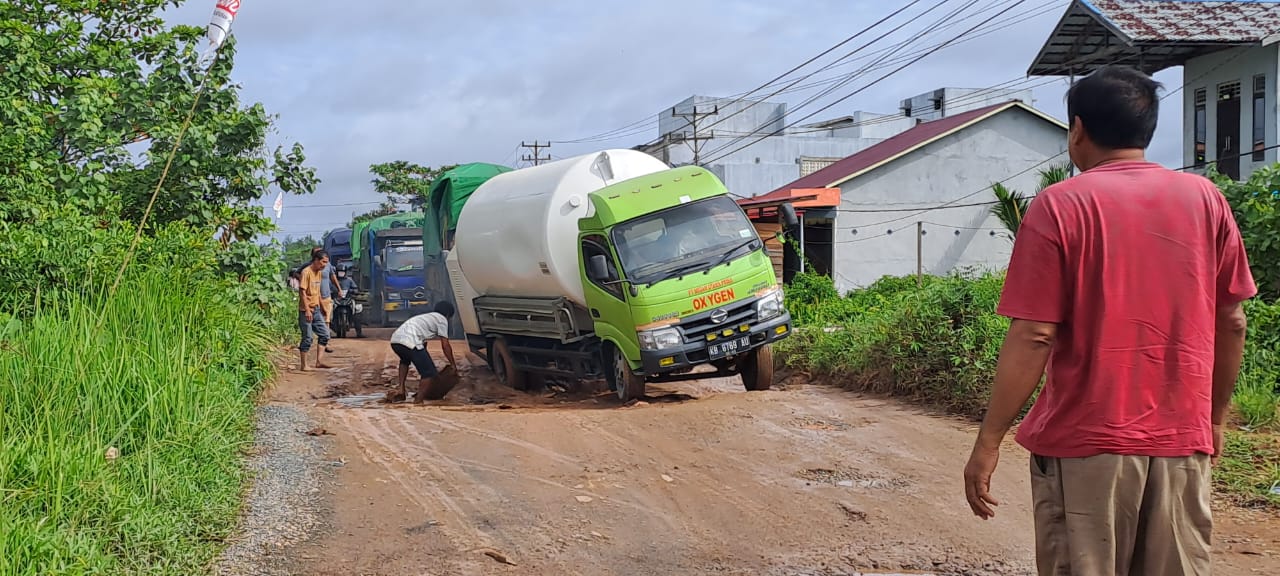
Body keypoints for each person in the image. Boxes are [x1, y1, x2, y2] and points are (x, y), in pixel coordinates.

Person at [962, 65, 1255, 575]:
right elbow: (1232, 321)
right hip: (1182, 442)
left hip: (1086, 444)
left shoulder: (1060, 205)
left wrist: (988, 442)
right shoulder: (1205, 198)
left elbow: (1035, 334)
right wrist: (1212, 421)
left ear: (1077, 130)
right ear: (1148, 129)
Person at [388, 301, 457, 404]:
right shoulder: (442, 319)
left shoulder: (426, 317)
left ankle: (401, 390)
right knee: (429, 373)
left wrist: (424, 360)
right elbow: (445, 345)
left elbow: (422, 346)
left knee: (405, 360)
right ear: (447, 315)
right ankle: (419, 400)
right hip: (410, 341)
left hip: (396, 341)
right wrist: (453, 364)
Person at [298, 250, 334, 371]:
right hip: (306, 310)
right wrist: (307, 310)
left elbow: (317, 292)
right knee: (308, 337)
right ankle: (304, 365)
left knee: (325, 334)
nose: (325, 265)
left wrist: (322, 307)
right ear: (316, 260)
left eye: (326, 262)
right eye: (323, 262)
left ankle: (319, 361)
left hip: (317, 309)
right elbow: (302, 292)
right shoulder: (306, 272)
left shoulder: (319, 273)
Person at [311, 246, 343, 353]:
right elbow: (298, 273)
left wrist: (339, 289)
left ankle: (326, 342)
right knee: (315, 320)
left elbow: (333, 277)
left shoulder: (327, 265)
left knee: (327, 320)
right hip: (314, 298)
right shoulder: (309, 267)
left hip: (326, 296)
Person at [336, 263, 363, 338]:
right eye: (339, 272)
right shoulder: (334, 280)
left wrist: (353, 291)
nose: (341, 273)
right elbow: (329, 288)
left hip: (348, 299)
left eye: (342, 272)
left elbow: (355, 288)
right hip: (336, 300)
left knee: (357, 314)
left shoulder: (349, 280)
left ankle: (359, 333)